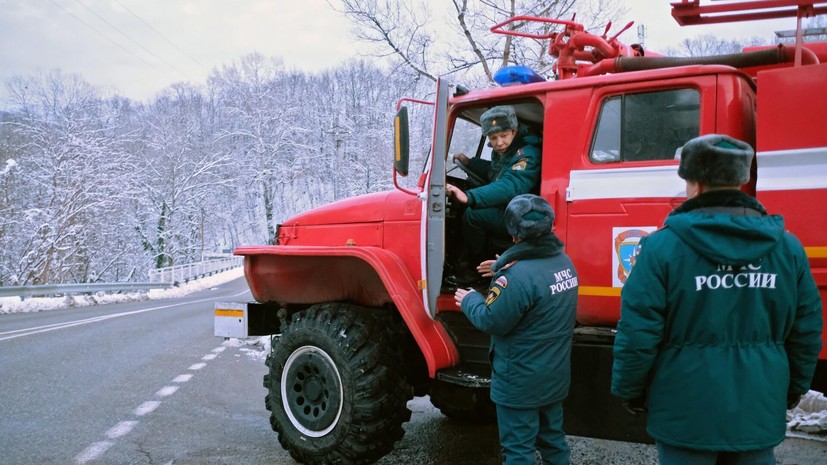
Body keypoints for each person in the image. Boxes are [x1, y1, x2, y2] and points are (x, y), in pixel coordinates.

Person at [611, 134, 823, 465]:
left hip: (684, 408)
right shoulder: (788, 247)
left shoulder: (662, 247)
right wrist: (791, 388)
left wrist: (630, 389)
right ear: (741, 179)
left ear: (693, 181)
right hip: (758, 404)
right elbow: (807, 330)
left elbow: (638, 332)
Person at [454, 194, 578, 465]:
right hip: (553, 377)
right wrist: (502, 265)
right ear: (549, 227)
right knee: (553, 441)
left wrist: (470, 299)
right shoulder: (565, 264)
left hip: (520, 384)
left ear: (513, 233)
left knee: (518, 451)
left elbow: (492, 320)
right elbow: (533, 275)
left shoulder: (516, 278)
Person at [446, 105, 541, 286]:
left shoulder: (527, 153)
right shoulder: (506, 151)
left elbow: (512, 184)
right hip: (512, 208)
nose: (499, 143)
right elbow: (495, 172)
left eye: (504, 136)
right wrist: (471, 162)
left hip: (525, 215)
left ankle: (477, 269)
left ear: (514, 130)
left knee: (473, 215)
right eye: (493, 138)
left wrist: (469, 196)